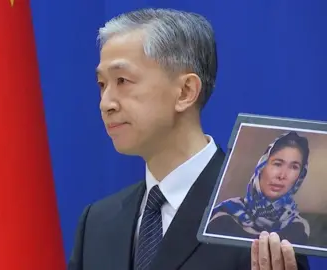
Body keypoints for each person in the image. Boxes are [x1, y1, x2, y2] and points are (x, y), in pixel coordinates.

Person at [67, 8, 310, 270]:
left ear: (185, 91)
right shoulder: (98, 222)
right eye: (102, 85)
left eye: (123, 80)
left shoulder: (260, 222)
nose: (106, 103)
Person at [207, 131, 311, 245]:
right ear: (262, 167)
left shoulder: (298, 226)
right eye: (277, 164)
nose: (282, 175)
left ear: (300, 176)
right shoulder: (226, 213)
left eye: (294, 167)